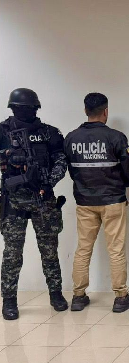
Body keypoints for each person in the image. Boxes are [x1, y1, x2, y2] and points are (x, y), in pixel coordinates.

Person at [64, 92, 129, 313]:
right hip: (113, 200)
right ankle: (121, 297)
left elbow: (71, 171)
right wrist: (119, 186)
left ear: (85, 111)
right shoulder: (116, 137)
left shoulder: (71, 138)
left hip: (84, 201)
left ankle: (78, 297)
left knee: (83, 249)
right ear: (106, 111)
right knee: (116, 249)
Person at [0, 88, 68, 320]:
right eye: (20, 109)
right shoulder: (2, 131)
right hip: (14, 201)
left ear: (36, 109)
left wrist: (49, 182)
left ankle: (56, 294)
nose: (25, 112)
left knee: (49, 251)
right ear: (12, 109)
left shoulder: (49, 133)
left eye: (29, 109)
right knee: (12, 254)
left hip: (43, 198)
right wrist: (8, 155)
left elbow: (61, 160)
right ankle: (9, 300)